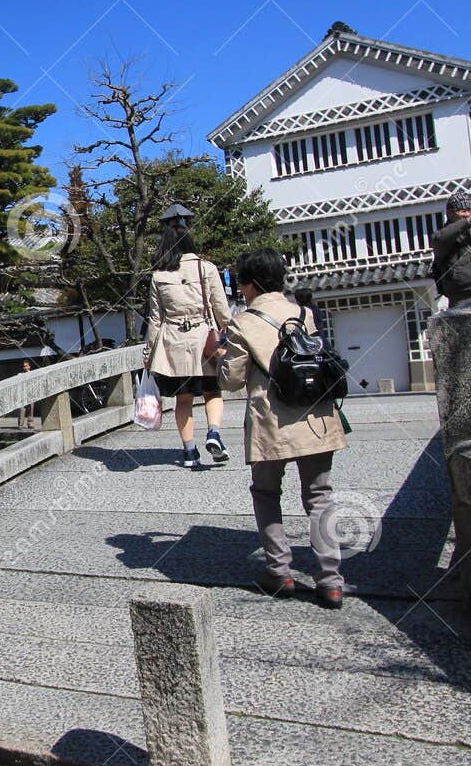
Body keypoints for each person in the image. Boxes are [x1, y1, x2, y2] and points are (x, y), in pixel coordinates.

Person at [216, 248, 351, 608]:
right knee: (320, 496)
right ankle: (331, 582)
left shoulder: (243, 321)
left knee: (265, 493)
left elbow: (230, 380)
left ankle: (279, 571)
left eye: (240, 282)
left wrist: (219, 355)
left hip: (271, 419)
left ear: (250, 284)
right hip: (315, 415)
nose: (239, 289)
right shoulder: (304, 312)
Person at [142, 229, 232, 469]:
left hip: (173, 344)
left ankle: (190, 451)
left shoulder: (158, 276)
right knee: (213, 393)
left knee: (184, 399)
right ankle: (214, 433)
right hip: (204, 340)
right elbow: (220, 307)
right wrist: (230, 330)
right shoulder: (207, 268)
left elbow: (155, 319)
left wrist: (149, 352)